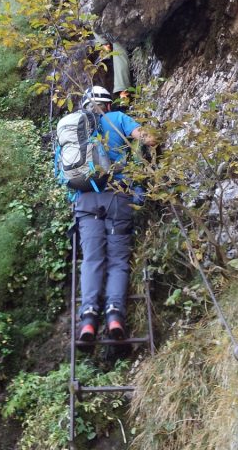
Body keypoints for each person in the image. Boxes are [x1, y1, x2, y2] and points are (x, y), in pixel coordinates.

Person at [72, 85, 155, 344]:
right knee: (118, 261)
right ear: (108, 104)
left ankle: (88, 318)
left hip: (85, 201)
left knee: (92, 259)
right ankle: (114, 315)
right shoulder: (117, 118)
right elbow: (149, 139)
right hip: (118, 197)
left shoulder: (74, 128)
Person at [61, 0, 133, 103]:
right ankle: (123, 93)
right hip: (116, 15)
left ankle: (104, 49)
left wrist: (65, 0)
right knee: (118, 49)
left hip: (102, 19)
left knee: (100, 30)